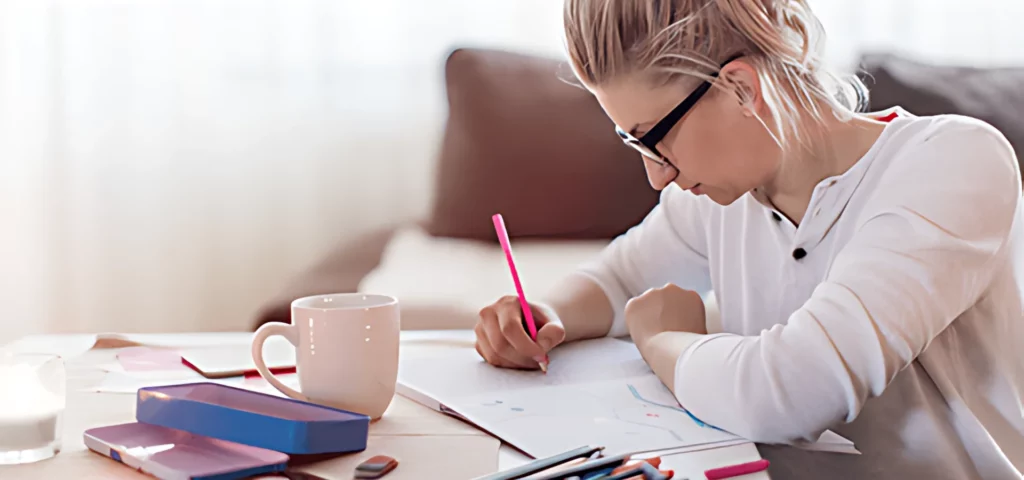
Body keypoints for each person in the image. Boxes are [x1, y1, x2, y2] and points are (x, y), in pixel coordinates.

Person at [471, 0, 1024, 478]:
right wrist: (542, 314)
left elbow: (796, 389)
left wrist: (663, 340)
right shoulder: (722, 198)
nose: (656, 176)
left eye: (653, 140)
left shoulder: (954, 164)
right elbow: (618, 279)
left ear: (740, 88)